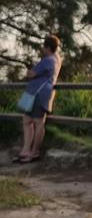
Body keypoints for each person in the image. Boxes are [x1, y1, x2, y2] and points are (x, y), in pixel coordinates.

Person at [14, 34, 62, 164]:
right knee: (27, 120)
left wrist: (30, 72)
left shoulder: (48, 60)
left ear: (47, 47)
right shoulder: (55, 59)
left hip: (38, 94)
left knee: (38, 122)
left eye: (44, 47)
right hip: (32, 93)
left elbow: (31, 74)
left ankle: (34, 152)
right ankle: (26, 150)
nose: (42, 49)